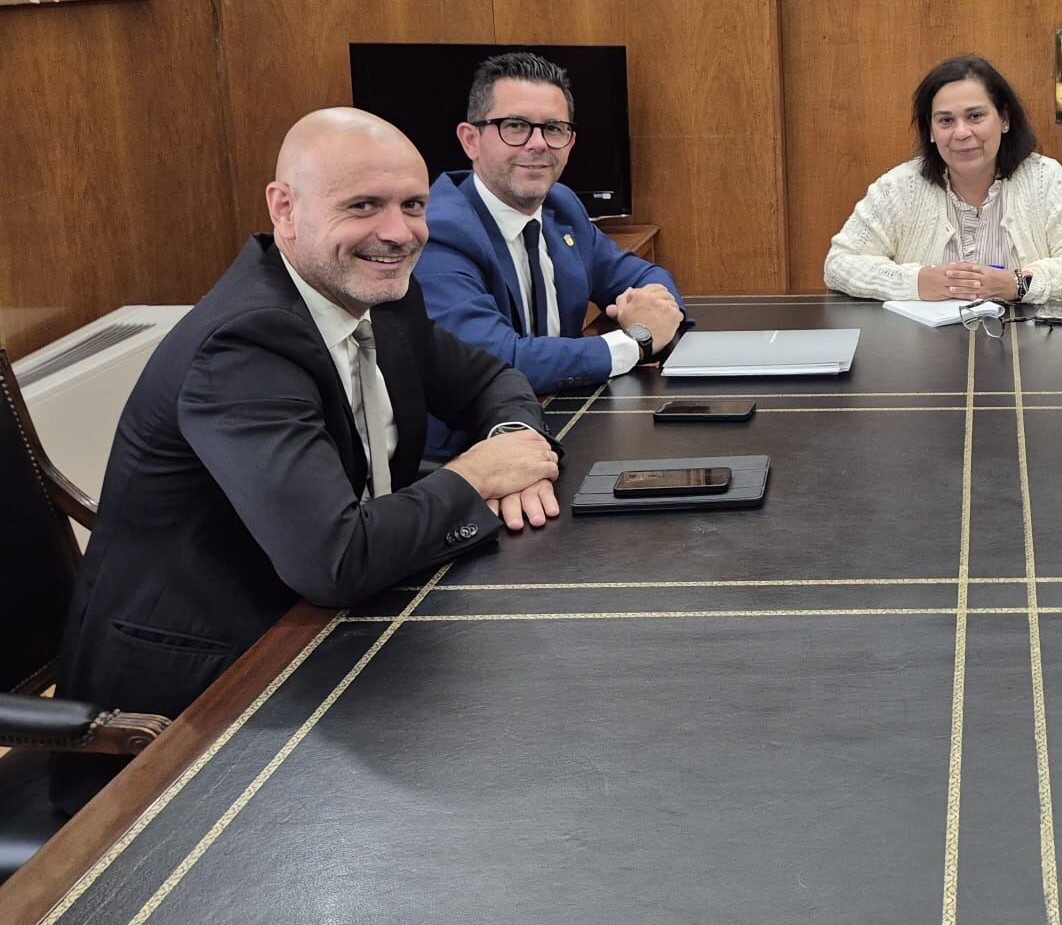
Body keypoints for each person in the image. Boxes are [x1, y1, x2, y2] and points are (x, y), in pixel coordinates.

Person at [55, 110, 560, 809]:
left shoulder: (377, 293)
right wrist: (476, 475)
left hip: (319, 637)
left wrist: (513, 443)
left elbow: (490, 381)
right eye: (363, 206)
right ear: (284, 208)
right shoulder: (244, 344)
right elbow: (334, 560)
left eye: (413, 206)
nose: (399, 232)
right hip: (188, 715)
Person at [415, 51, 687, 453]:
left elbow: (643, 275)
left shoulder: (562, 206)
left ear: (570, 142)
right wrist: (638, 341)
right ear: (470, 140)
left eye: (554, 129)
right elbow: (498, 360)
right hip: (472, 451)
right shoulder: (438, 231)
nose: (538, 144)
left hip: (567, 423)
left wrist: (656, 309)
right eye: (515, 126)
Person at [825, 54, 1062, 303]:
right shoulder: (900, 187)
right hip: (925, 345)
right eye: (946, 121)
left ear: (1004, 119)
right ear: (930, 130)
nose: (961, 133)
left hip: (1027, 343)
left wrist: (1019, 284)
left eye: (975, 116)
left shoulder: (1045, 179)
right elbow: (839, 265)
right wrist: (915, 282)